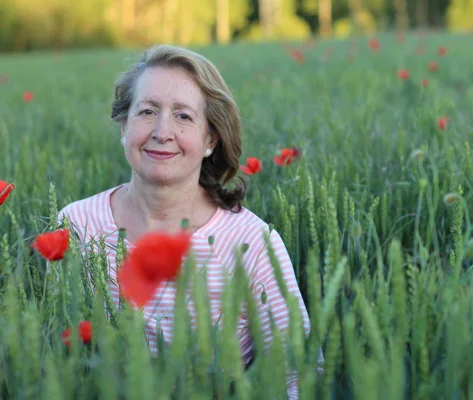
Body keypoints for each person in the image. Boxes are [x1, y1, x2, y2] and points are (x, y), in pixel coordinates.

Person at [58, 44, 320, 399]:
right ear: (124, 126)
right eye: (147, 111)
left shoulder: (252, 242)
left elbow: (298, 374)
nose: (162, 131)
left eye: (183, 116)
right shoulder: (75, 225)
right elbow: (54, 356)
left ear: (210, 138)